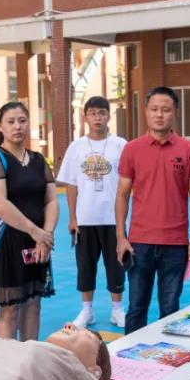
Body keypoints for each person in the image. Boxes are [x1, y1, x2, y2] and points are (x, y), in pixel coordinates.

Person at [115, 86, 190, 334]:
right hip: (139, 243)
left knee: (170, 308)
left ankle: (168, 357)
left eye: (165, 109)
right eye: (154, 109)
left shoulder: (188, 150)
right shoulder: (132, 149)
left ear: (175, 112)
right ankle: (130, 357)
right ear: (146, 111)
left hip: (175, 244)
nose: (159, 114)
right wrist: (121, 238)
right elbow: (122, 195)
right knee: (136, 308)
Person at [0, 101, 58, 340]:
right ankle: (8, 361)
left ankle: (29, 356)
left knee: (33, 303)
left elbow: (51, 201)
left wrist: (46, 236)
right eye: (10, 122)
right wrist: (35, 231)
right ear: (0, 126)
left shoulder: (38, 160)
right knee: (9, 309)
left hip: (38, 243)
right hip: (6, 244)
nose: (17, 126)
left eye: (22, 121)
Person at [59, 96, 128, 329]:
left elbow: (129, 181)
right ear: (85, 117)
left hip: (113, 218)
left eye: (102, 113)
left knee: (116, 264)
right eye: (93, 113)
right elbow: (71, 184)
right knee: (85, 266)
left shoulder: (120, 145)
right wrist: (73, 217)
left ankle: (117, 309)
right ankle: (87, 310)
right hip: (85, 219)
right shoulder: (76, 147)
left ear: (109, 116)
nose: (98, 118)